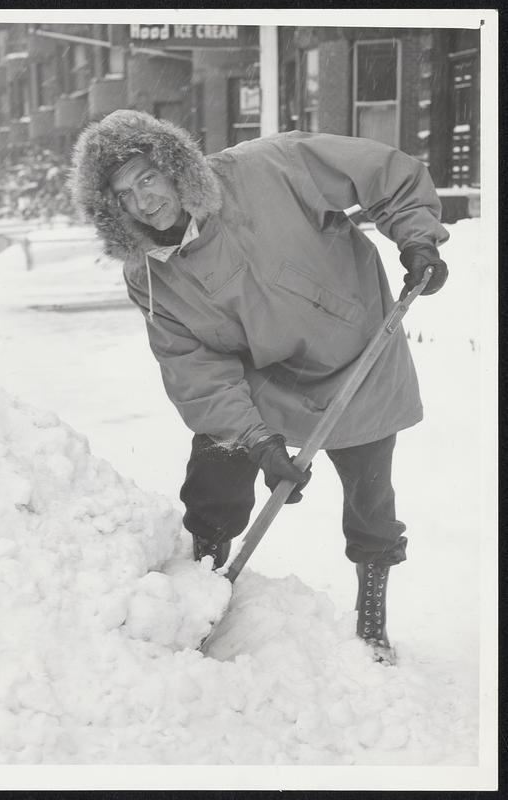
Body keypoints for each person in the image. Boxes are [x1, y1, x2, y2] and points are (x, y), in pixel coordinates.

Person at [70, 109, 449, 657]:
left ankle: (371, 618)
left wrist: (417, 238)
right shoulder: (149, 276)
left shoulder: (270, 167)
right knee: (216, 466)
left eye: (146, 177)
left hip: (358, 352)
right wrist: (256, 439)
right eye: (124, 194)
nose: (143, 200)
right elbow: (196, 370)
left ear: (172, 164)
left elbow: (385, 172)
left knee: (369, 497)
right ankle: (204, 580)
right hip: (268, 377)